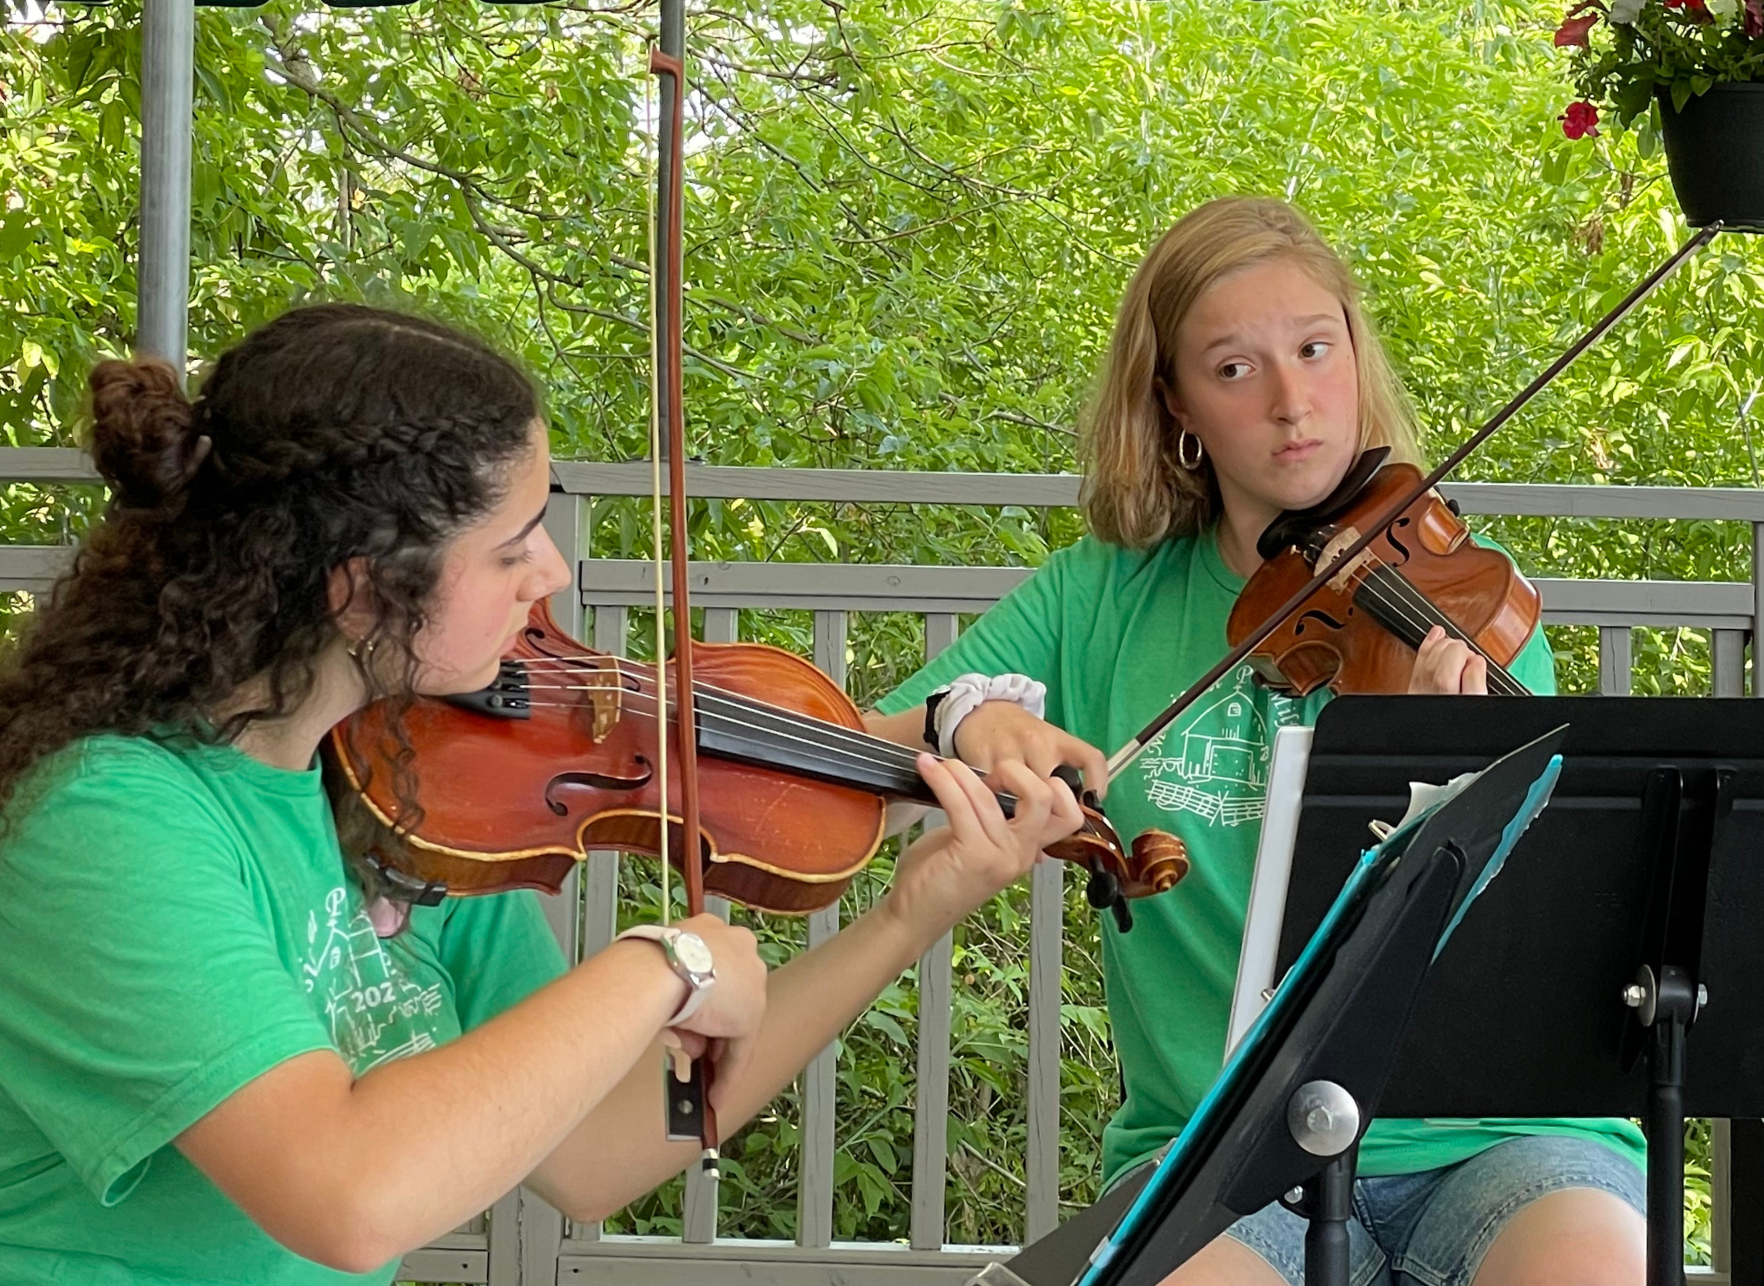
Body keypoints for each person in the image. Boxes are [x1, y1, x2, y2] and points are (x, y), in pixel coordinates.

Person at [0, 304, 1083, 1285]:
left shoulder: (396, 780)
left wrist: (907, 915)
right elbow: (346, 1192)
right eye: (511, 545)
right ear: (362, 588)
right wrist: (665, 962)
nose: (552, 576)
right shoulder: (105, 816)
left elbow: (593, 1150)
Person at [864, 198, 1647, 1286]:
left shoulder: (1466, 600)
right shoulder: (1098, 599)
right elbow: (859, 758)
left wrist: (1453, 762)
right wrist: (962, 714)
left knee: (1591, 1269)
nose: (1292, 403)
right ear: (1174, 403)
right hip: (1219, 1155)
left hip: (1489, 1138)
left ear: (1353, 356)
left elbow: (1541, 925)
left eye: (1314, 349)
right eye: (1233, 369)